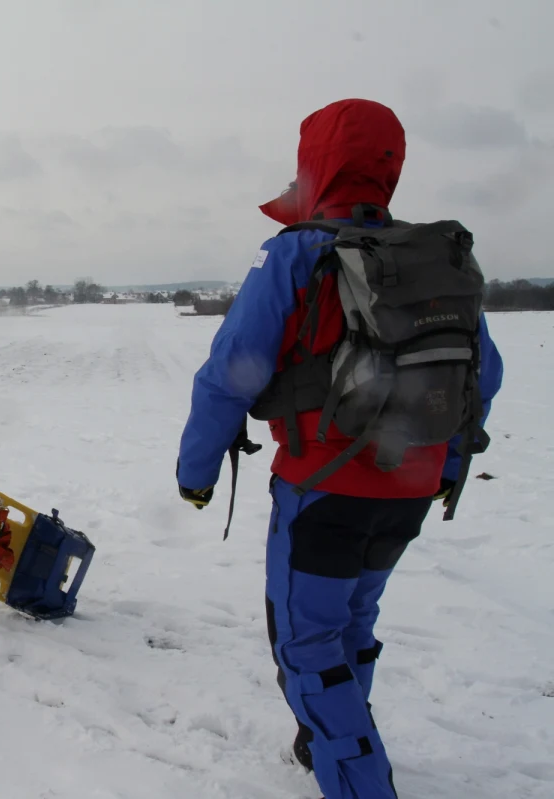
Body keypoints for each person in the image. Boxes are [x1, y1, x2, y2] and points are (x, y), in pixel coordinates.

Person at [175, 99, 504, 799]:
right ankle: (321, 737)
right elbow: (484, 373)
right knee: (353, 621)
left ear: (316, 165)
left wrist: (195, 473)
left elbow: (230, 369)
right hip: (409, 495)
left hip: (322, 492)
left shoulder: (296, 252)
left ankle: (356, 780)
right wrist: (444, 468)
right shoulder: (430, 257)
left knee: (307, 646)